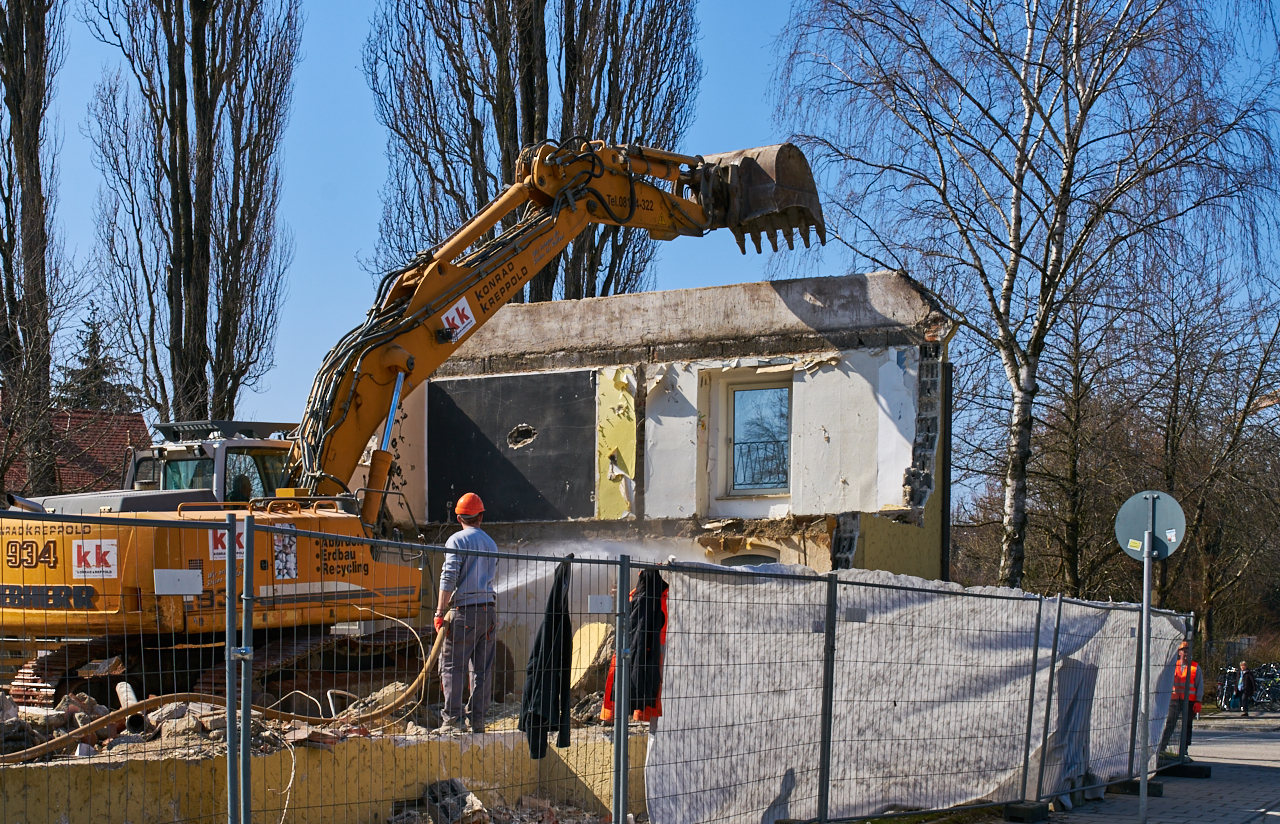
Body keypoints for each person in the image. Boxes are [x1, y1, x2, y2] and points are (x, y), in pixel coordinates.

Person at [434, 492, 499, 734]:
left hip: (464, 613)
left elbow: (448, 577)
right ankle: (478, 720)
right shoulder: (490, 543)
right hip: (488, 613)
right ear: (481, 516)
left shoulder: (456, 540)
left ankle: (453, 720)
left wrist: (440, 612)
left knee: (452, 666)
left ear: (459, 517)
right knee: (482, 670)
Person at [1159, 641, 1202, 755]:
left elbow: (1199, 685)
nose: (1186, 653)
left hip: (1189, 701)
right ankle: (1162, 748)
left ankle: (1184, 749)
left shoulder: (1195, 667)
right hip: (1175, 700)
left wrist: (1198, 700)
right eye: (1184, 650)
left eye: (1188, 650)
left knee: (1187, 725)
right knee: (1170, 724)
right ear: (1179, 652)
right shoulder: (1174, 666)